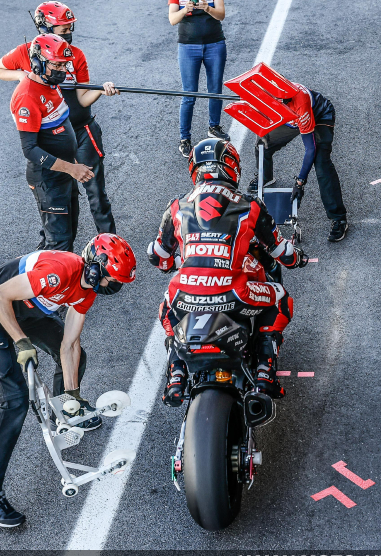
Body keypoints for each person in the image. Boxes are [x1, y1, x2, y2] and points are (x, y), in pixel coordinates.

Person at [0, 234, 136, 527]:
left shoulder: (87, 292)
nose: (112, 286)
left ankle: (64, 416)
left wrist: (73, 395)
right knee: (16, 400)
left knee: (76, 356)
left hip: (30, 312)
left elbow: (69, 344)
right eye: (111, 279)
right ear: (94, 267)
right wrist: (20, 342)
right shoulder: (60, 271)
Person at [148, 138, 309, 402]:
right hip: (234, 294)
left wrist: (173, 263)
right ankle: (264, 373)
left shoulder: (177, 205)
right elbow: (282, 253)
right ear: (232, 167)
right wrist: (298, 259)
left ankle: (176, 374)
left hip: (185, 296)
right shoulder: (250, 204)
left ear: (195, 169)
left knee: (167, 311)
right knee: (281, 298)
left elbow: (158, 256)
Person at [0, 2, 121, 236]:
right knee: (55, 195)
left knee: (95, 191)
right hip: (50, 139)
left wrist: (102, 90)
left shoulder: (76, 55)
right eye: (63, 29)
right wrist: (23, 76)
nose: (69, 34)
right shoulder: (25, 52)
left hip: (81, 131)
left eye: (70, 28)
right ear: (45, 28)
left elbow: (82, 98)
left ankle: (109, 243)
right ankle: (51, 245)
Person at [4, 34, 92, 251]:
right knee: (59, 245)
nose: (62, 71)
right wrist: (72, 168)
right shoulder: (27, 96)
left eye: (64, 65)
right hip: (49, 180)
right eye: (56, 65)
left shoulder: (50, 81)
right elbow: (30, 150)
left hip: (64, 174)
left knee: (65, 235)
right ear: (37, 62)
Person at [247, 82, 349, 242]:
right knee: (263, 144)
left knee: (321, 163)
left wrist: (300, 182)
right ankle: (266, 177)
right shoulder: (267, 93)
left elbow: (310, 149)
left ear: (286, 100)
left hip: (319, 115)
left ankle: (339, 218)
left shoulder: (301, 103)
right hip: (291, 119)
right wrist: (263, 131)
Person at [168, 0, 228, 157]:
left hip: (215, 43)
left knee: (215, 90)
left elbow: (221, 15)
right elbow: (172, 19)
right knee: (189, 94)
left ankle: (214, 127)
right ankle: (184, 139)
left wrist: (207, 8)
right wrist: (184, 10)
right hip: (188, 46)